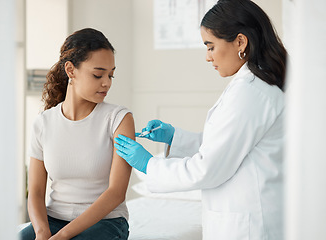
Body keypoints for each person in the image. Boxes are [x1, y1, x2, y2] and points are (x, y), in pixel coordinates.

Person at [114, 0, 287, 239]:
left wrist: (147, 164)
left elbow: (207, 168)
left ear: (240, 41)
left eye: (211, 46)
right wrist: (176, 138)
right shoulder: (252, 85)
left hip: (249, 227)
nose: (207, 57)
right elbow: (229, 147)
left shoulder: (251, 91)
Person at [20, 28, 134, 240]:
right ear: (71, 70)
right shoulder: (44, 123)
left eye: (111, 75)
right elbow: (35, 191)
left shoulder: (119, 119)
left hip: (106, 222)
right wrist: (42, 232)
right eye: (98, 74)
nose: (107, 82)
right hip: (54, 219)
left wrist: (64, 236)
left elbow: (116, 193)